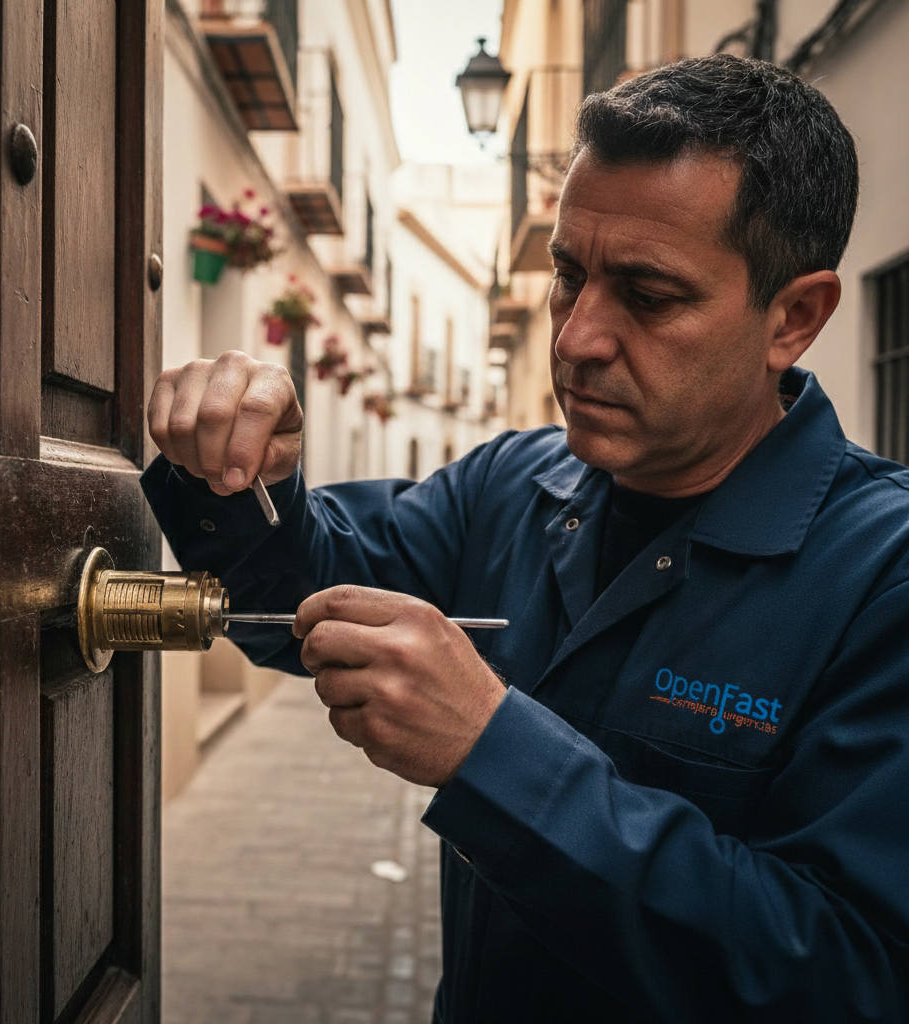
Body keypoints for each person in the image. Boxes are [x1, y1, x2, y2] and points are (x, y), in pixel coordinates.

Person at [142, 55, 909, 1022]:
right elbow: (301, 600)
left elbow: (851, 974)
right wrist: (244, 472)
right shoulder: (514, 483)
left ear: (793, 318)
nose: (578, 337)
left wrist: (494, 754)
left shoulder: (882, 574)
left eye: (648, 294)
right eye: (569, 275)